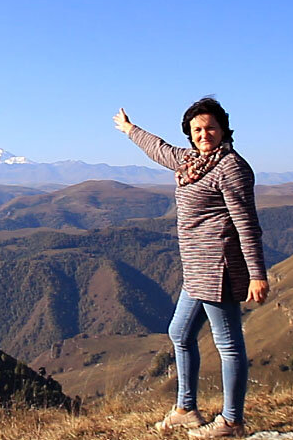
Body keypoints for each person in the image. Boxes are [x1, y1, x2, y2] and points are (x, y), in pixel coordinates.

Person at [113, 97, 268, 438]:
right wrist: (129, 129)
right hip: (196, 269)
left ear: (224, 129)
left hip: (220, 267)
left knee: (228, 345)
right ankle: (186, 410)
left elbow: (247, 224)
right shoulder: (192, 162)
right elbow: (160, 149)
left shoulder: (232, 168)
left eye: (210, 127)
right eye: (197, 129)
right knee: (180, 334)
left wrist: (257, 274)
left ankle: (232, 422)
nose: (204, 133)